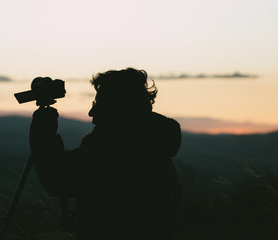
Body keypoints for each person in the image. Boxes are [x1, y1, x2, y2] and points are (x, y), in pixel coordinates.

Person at [30, 68, 182, 240]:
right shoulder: (155, 142)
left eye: (98, 103)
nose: (91, 113)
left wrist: (43, 129)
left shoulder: (111, 144)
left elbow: (58, 180)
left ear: (117, 105)